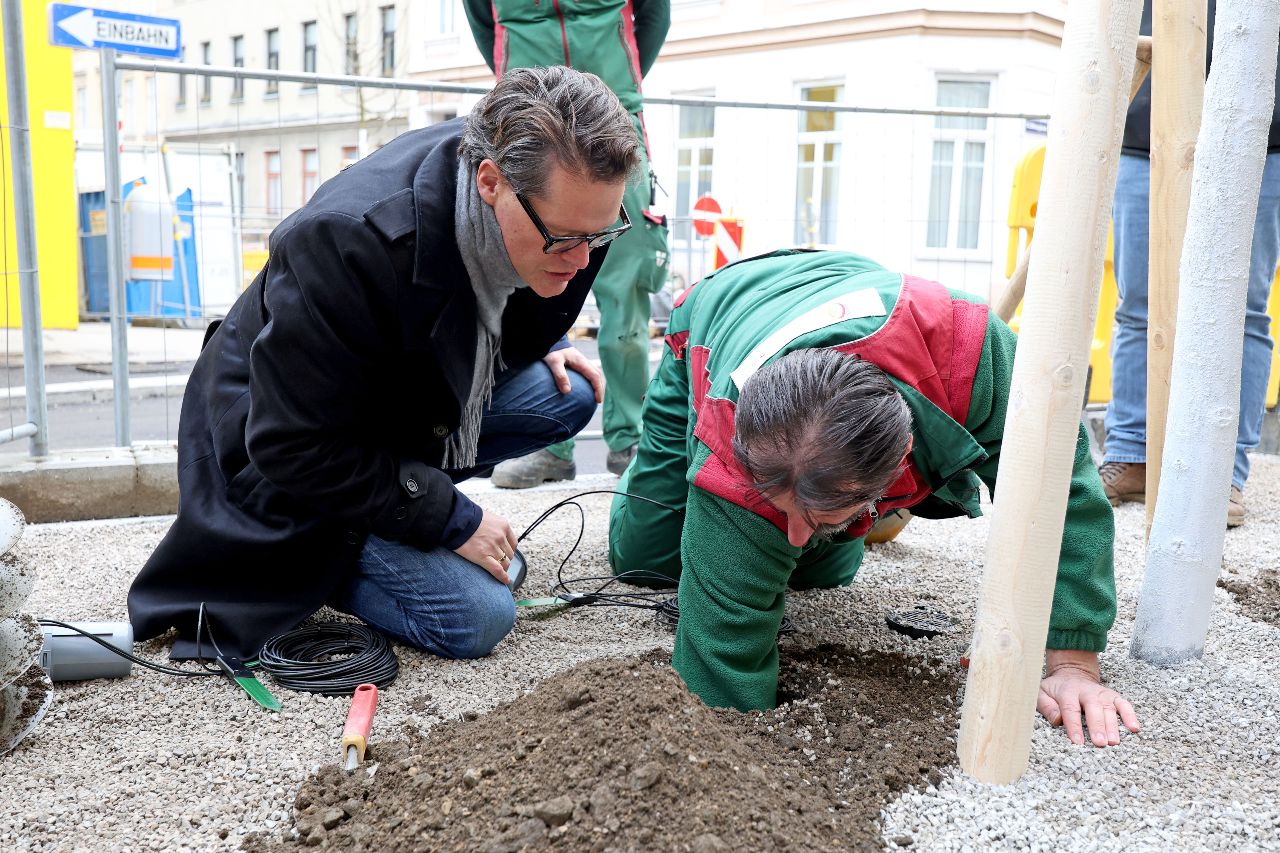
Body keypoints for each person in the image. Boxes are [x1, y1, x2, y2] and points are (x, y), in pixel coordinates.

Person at [128, 67, 640, 661]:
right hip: (280, 443)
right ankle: (325, 559)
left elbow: (514, 280)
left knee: (566, 394)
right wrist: (450, 519)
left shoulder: (551, 190)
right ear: (490, 182)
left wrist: (541, 336)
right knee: (478, 618)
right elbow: (289, 443)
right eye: (564, 239)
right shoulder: (347, 242)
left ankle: (387, 508)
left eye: (599, 236)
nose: (581, 261)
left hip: (388, 406)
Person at [610, 250, 1140, 748]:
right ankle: (711, 491)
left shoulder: (974, 354)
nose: (796, 533)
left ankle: (838, 520)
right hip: (715, 310)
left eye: (816, 515)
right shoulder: (729, 426)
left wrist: (1073, 664)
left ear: (901, 457)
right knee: (647, 557)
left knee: (815, 568)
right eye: (786, 509)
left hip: (851, 286)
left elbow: (1059, 495)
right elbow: (719, 654)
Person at [463, 0, 672, 486]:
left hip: (614, 120)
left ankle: (630, 439)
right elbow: (484, 20)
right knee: (529, 279)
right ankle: (548, 444)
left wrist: (615, 87)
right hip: (528, 127)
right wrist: (518, 88)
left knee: (626, 294)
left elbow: (654, 16)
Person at [1101, 0, 1280, 527]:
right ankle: (1132, 454)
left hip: (1260, 134)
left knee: (1242, 311)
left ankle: (1223, 474)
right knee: (1138, 303)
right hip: (1146, 128)